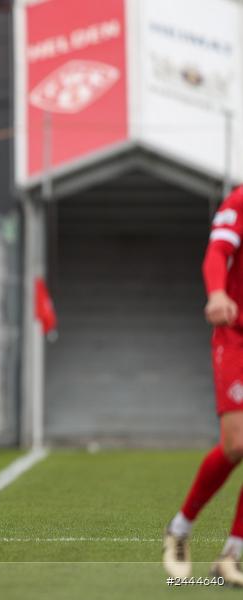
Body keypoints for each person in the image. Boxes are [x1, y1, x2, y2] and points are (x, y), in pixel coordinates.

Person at [164, 186, 243, 584]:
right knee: (237, 443)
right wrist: (216, 292)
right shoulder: (240, 200)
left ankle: (232, 554)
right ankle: (180, 528)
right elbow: (218, 252)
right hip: (236, 334)